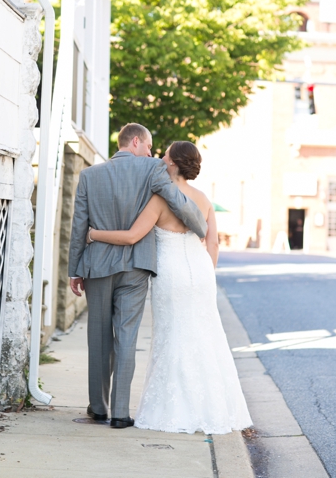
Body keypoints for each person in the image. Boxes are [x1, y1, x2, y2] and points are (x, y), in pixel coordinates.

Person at [86, 141, 252, 434]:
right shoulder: (203, 199)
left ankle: (175, 410)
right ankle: (213, 408)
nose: (160, 158)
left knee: (172, 336)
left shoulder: (161, 199)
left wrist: (94, 234)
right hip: (201, 273)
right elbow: (212, 243)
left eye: (165, 155)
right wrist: (206, 276)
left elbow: (131, 236)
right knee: (206, 336)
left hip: (171, 274)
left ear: (174, 164)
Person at [68, 123, 208, 428]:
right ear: (135, 141)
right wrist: (200, 223)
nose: (151, 152)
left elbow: (79, 225)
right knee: (127, 336)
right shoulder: (153, 170)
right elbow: (177, 200)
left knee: (98, 336)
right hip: (136, 266)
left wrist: (74, 270)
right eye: (148, 146)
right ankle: (120, 412)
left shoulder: (90, 175)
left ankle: (98, 407)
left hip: (97, 265)